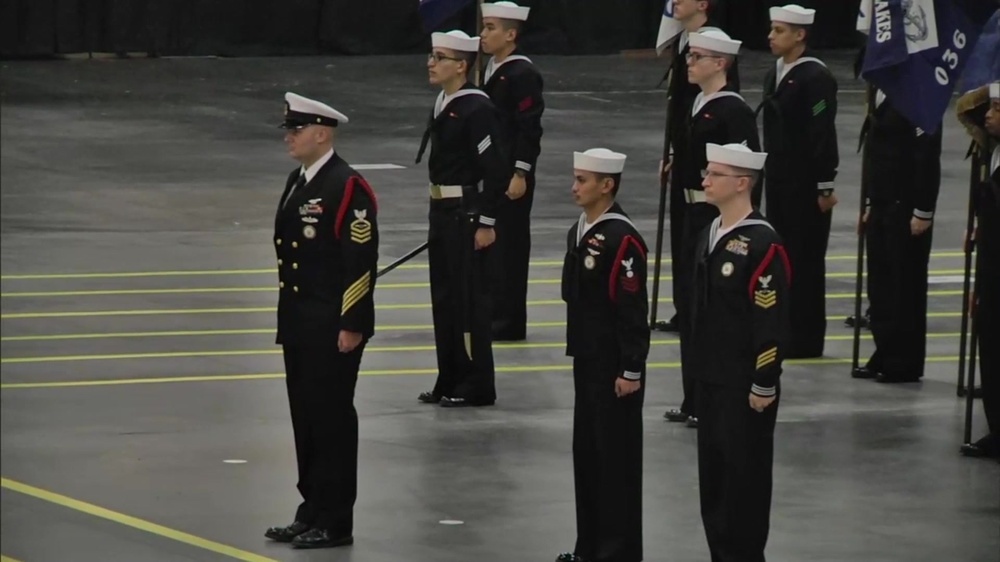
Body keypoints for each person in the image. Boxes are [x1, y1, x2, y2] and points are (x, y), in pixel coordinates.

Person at [265, 92, 379, 549]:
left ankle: (335, 519)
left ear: (321, 133)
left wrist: (352, 321)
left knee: (332, 420)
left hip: (333, 324)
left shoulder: (347, 186)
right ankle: (310, 508)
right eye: (289, 130)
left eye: (297, 130)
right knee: (306, 418)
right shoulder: (299, 179)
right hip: (299, 321)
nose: (290, 137)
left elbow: (360, 260)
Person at [691, 142, 789, 562]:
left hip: (743, 383)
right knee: (713, 481)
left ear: (742, 183)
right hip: (711, 377)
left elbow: (771, 321)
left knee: (742, 481)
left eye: (715, 174)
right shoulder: (710, 234)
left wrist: (763, 381)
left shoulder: (762, 244)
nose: (705, 180)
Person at [663, 28, 760, 428]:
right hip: (691, 213)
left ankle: (708, 397)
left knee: (708, 309)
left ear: (720, 63)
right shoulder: (698, 103)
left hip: (712, 215)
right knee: (689, 305)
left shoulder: (732, 110)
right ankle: (694, 396)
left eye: (698, 56)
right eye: (690, 56)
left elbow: (746, 172)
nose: (690, 62)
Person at [557, 148, 650, 562]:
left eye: (583, 180)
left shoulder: (621, 238)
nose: (574, 187)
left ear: (607, 185)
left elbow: (632, 311)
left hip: (614, 367)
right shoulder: (581, 230)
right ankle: (588, 548)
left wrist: (631, 367)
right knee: (588, 456)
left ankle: (616, 552)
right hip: (587, 360)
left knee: (616, 463)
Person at [414, 30, 509, 407]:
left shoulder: (476, 108)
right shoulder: (444, 101)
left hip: (465, 214)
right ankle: (449, 376)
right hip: (442, 211)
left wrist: (486, 220)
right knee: (445, 299)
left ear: (461, 65)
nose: (431, 63)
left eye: (439, 56)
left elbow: (496, 170)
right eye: (431, 55)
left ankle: (476, 383)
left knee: (469, 303)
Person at [758, 4, 839, 358]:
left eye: (779, 31)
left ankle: (806, 337)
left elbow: (821, 131)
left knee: (805, 259)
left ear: (800, 35)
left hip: (805, 183)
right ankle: (785, 329)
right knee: (784, 257)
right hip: (779, 178)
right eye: (772, 29)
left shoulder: (815, 78)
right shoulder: (775, 73)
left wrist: (825, 183)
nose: (771, 37)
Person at [657, 0, 741, 335]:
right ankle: (684, 305)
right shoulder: (686, 44)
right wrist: (676, 154)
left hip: (707, 169)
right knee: (682, 238)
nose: (675, 3)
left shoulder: (712, 43)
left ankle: (698, 306)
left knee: (699, 240)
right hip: (687, 157)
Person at [850, 88, 942, 383]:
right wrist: (868, 203)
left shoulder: (919, 95)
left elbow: (927, 156)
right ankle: (886, 350)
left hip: (905, 205)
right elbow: (875, 155)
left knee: (905, 285)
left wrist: (923, 210)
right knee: (880, 285)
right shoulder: (880, 93)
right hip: (881, 202)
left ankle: (905, 359)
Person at [479, 1, 545, 342]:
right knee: (494, 245)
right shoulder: (492, 68)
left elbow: (528, 127)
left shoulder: (521, 74)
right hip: (494, 173)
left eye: (491, 28)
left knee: (510, 247)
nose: (483, 34)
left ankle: (509, 319)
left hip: (511, 174)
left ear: (511, 33)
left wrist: (521, 172)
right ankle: (494, 312)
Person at [958, 81, 1000, 460]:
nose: (988, 115)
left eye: (998, 110)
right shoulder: (993, 153)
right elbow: (969, 110)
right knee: (990, 348)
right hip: (991, 270)